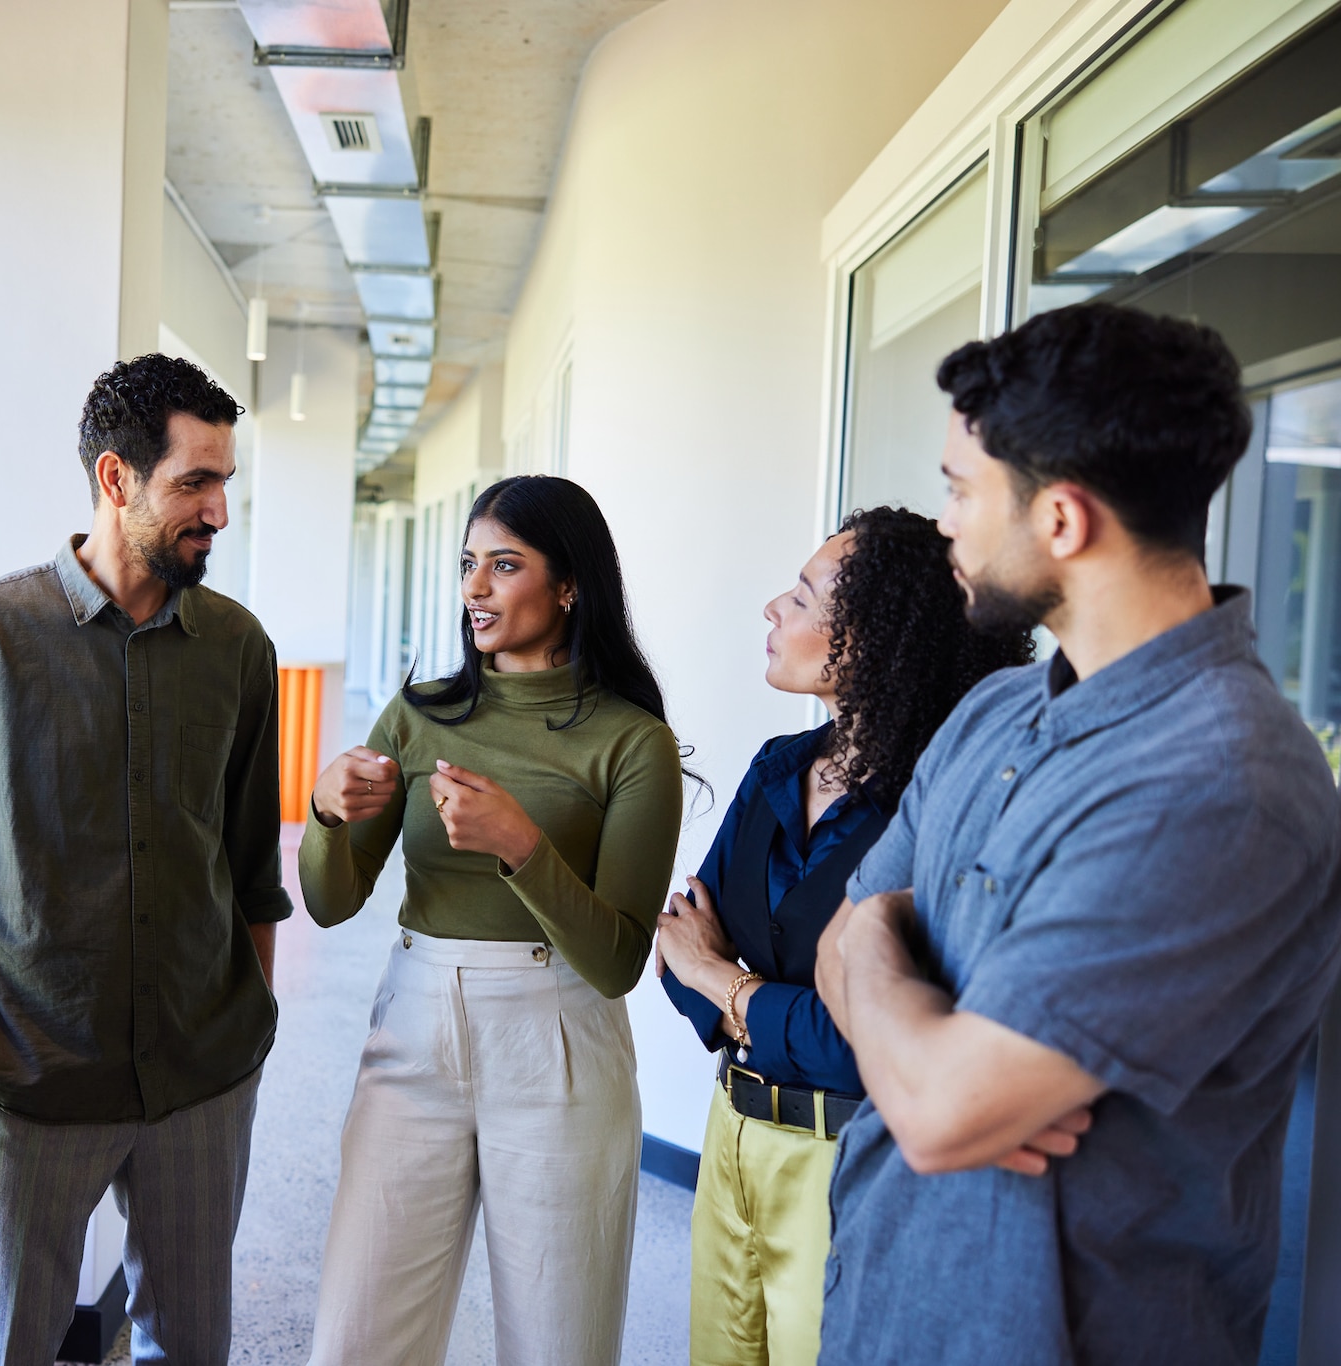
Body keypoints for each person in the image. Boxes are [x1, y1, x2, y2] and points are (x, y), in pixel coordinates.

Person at [814, 302, 1341, 1366]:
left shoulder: (1223, 783)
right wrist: (888, 973)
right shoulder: (990, 712)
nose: (944, 523)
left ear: (1060, 519)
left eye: (960, 490)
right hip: (888, 1302)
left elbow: (940, 1113)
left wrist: (892, 977)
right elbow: (837, 940)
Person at [0, 354, 289, 1366]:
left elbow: (248, 863)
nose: (218, 511)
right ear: (115, 479)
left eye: (225, 481)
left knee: (187, 1348)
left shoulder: (238, 647)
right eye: (194, 482)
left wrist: (251, 1029)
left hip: (200, 1075)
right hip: (28, 1081)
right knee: (7, 1346)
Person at [299, 474, 684, 1366]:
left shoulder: (631, 742)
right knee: (357, 1337)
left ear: (570, 584)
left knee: (560, 1340)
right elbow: (330, 902)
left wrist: (523, 850)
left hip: (559, 1037)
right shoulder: (420, 713)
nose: (474, 588)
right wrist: (324, 811)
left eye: (503, 565)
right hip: (413, 1024)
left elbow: (620, 959)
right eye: (468, 564)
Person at [656, 506, 1033, 1366]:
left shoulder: (934, 805)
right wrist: (725, 983)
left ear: (875, 637)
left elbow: (867, 1043)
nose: (771, 611)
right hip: (734, 1137)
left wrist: (729, 985)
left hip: (854, 1157)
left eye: (801, 595)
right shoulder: (777, 767)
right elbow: (677, 949)